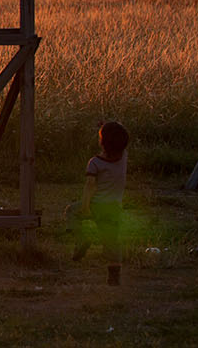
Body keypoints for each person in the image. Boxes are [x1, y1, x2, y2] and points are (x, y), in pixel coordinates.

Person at [72, 121, 128, 286]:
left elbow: (90, 186)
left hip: (96, 204)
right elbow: (118, 140)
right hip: (114, 207)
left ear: (102, 142)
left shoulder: (94, 163)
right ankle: (114, 275)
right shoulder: (124, 156)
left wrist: (85, 207)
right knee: (111, 240)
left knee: (71, 212)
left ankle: (82, 239)